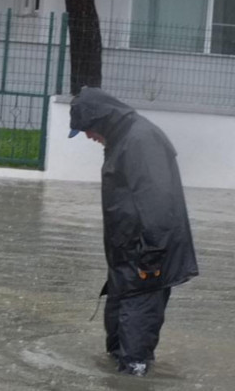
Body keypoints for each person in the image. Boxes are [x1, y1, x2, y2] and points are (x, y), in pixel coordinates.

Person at [69, 87, 199, 377]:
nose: (88, 136)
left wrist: (150, 258)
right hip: (127, 260)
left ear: (101, 120)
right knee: (117, 337)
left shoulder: (140, 140)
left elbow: (159, 202)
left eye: (87, 128)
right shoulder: (124, 138)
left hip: (146, 261)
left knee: (134, 351)